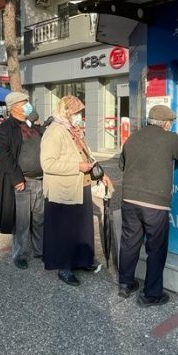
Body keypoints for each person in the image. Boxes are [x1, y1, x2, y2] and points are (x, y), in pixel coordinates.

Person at [118, 104, 178, 306]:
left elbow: (121, 165)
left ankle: (125, 284)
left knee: (129, 243)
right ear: (167, 124)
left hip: (129, 199)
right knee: (156, 248)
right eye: (170, 122)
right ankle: (151, 294)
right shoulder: (170, 139)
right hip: (155, 203)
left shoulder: (133, 138)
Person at [40, 95, 110, 286]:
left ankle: (81, 260)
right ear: (67, 111)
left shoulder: (73, 130)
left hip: (82, 186)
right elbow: (48, 164)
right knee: (65, 231)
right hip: (64, 190)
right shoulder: (54, 131)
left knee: (81, 228)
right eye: (77, 112)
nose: (80, 116)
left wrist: (101, 174)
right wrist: (76, 166)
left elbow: (87, 155)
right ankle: (64, 267)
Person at [0, 91, 44, 269]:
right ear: (14, 106)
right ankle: (19, 254)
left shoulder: (31, 125)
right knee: (22, 221)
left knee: (40, 218)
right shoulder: (3, 129)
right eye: (25, 102)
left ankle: (40, 250)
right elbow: (3, 156)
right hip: (23, 181)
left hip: (41, 179)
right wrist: (16, 178)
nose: (28, 105)